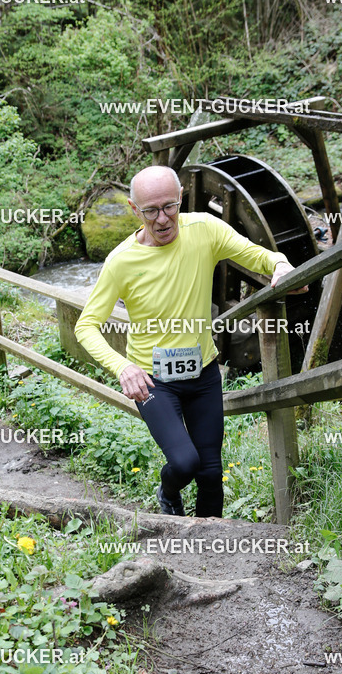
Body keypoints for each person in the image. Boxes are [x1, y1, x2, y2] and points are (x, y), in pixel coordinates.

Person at [75, 165, 304, 518]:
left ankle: (208, 548)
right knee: (184, 463)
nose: (163, 219)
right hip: (154, 381)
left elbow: (255, 254)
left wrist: (280, 264)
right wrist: (123, 366)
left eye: (169, 206)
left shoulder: (204, 230)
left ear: (180, 197)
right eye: (151, 210)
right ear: (135, 211)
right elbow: (86, 326)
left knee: (211, 474)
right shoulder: (121, 261)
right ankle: (168, 494)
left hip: (203, 373)